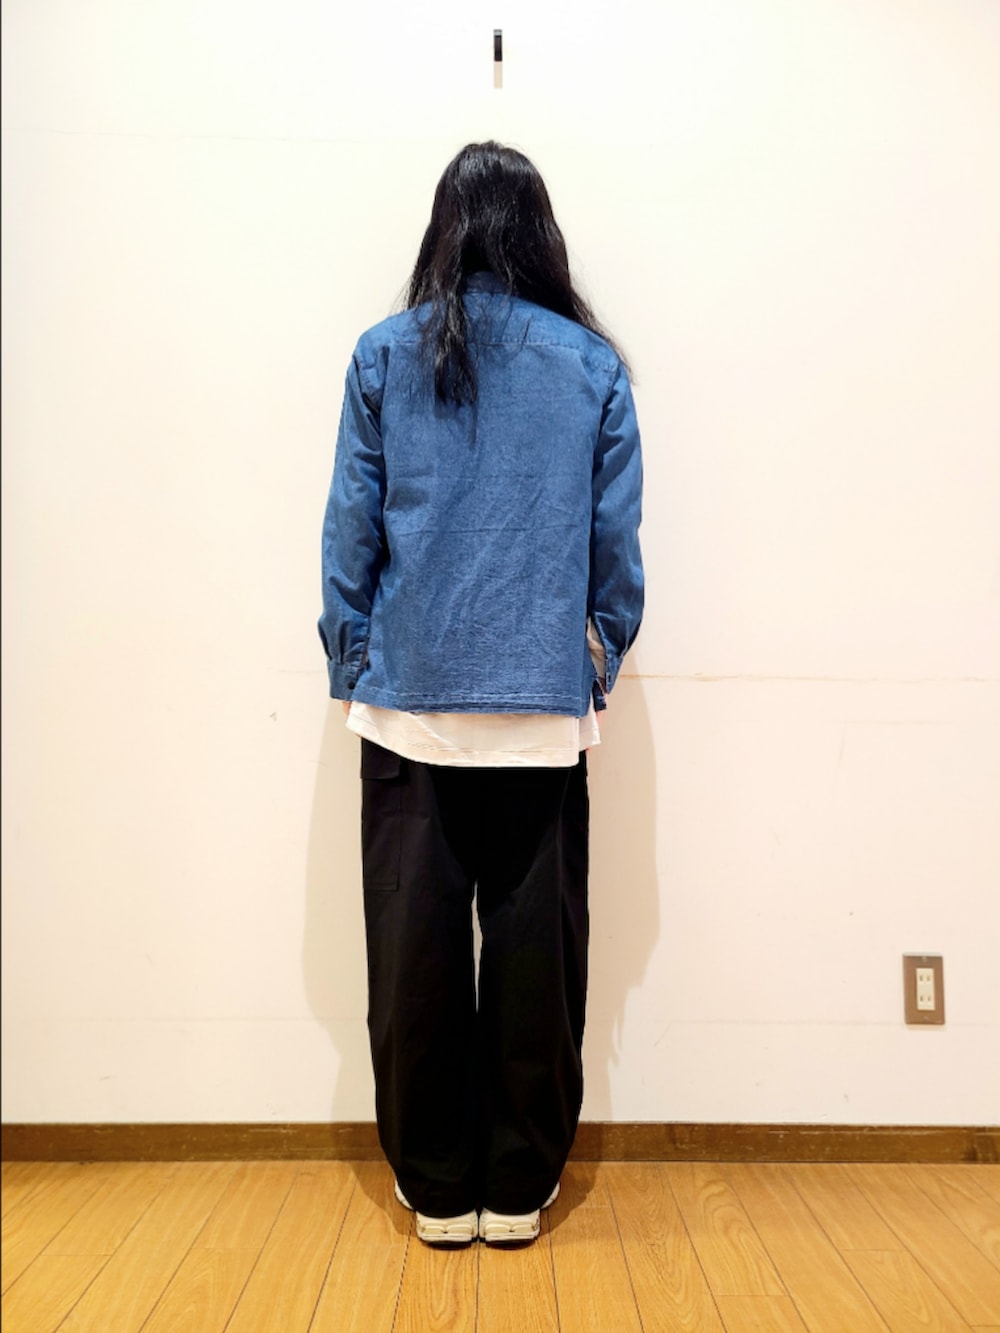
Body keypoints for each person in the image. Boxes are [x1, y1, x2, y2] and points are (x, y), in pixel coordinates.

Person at [318, 141, 643, 1246]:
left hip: (409, 705)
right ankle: (515, 1186)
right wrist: (592, 658)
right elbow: (614, 552)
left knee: (411, 960)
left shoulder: (383, 355)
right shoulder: (590, 367)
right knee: (535, 962)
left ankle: (437, 1187)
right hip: (540, 715)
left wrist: (353, 661)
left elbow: (350, 533)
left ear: (443, 232)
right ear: (540, 236)